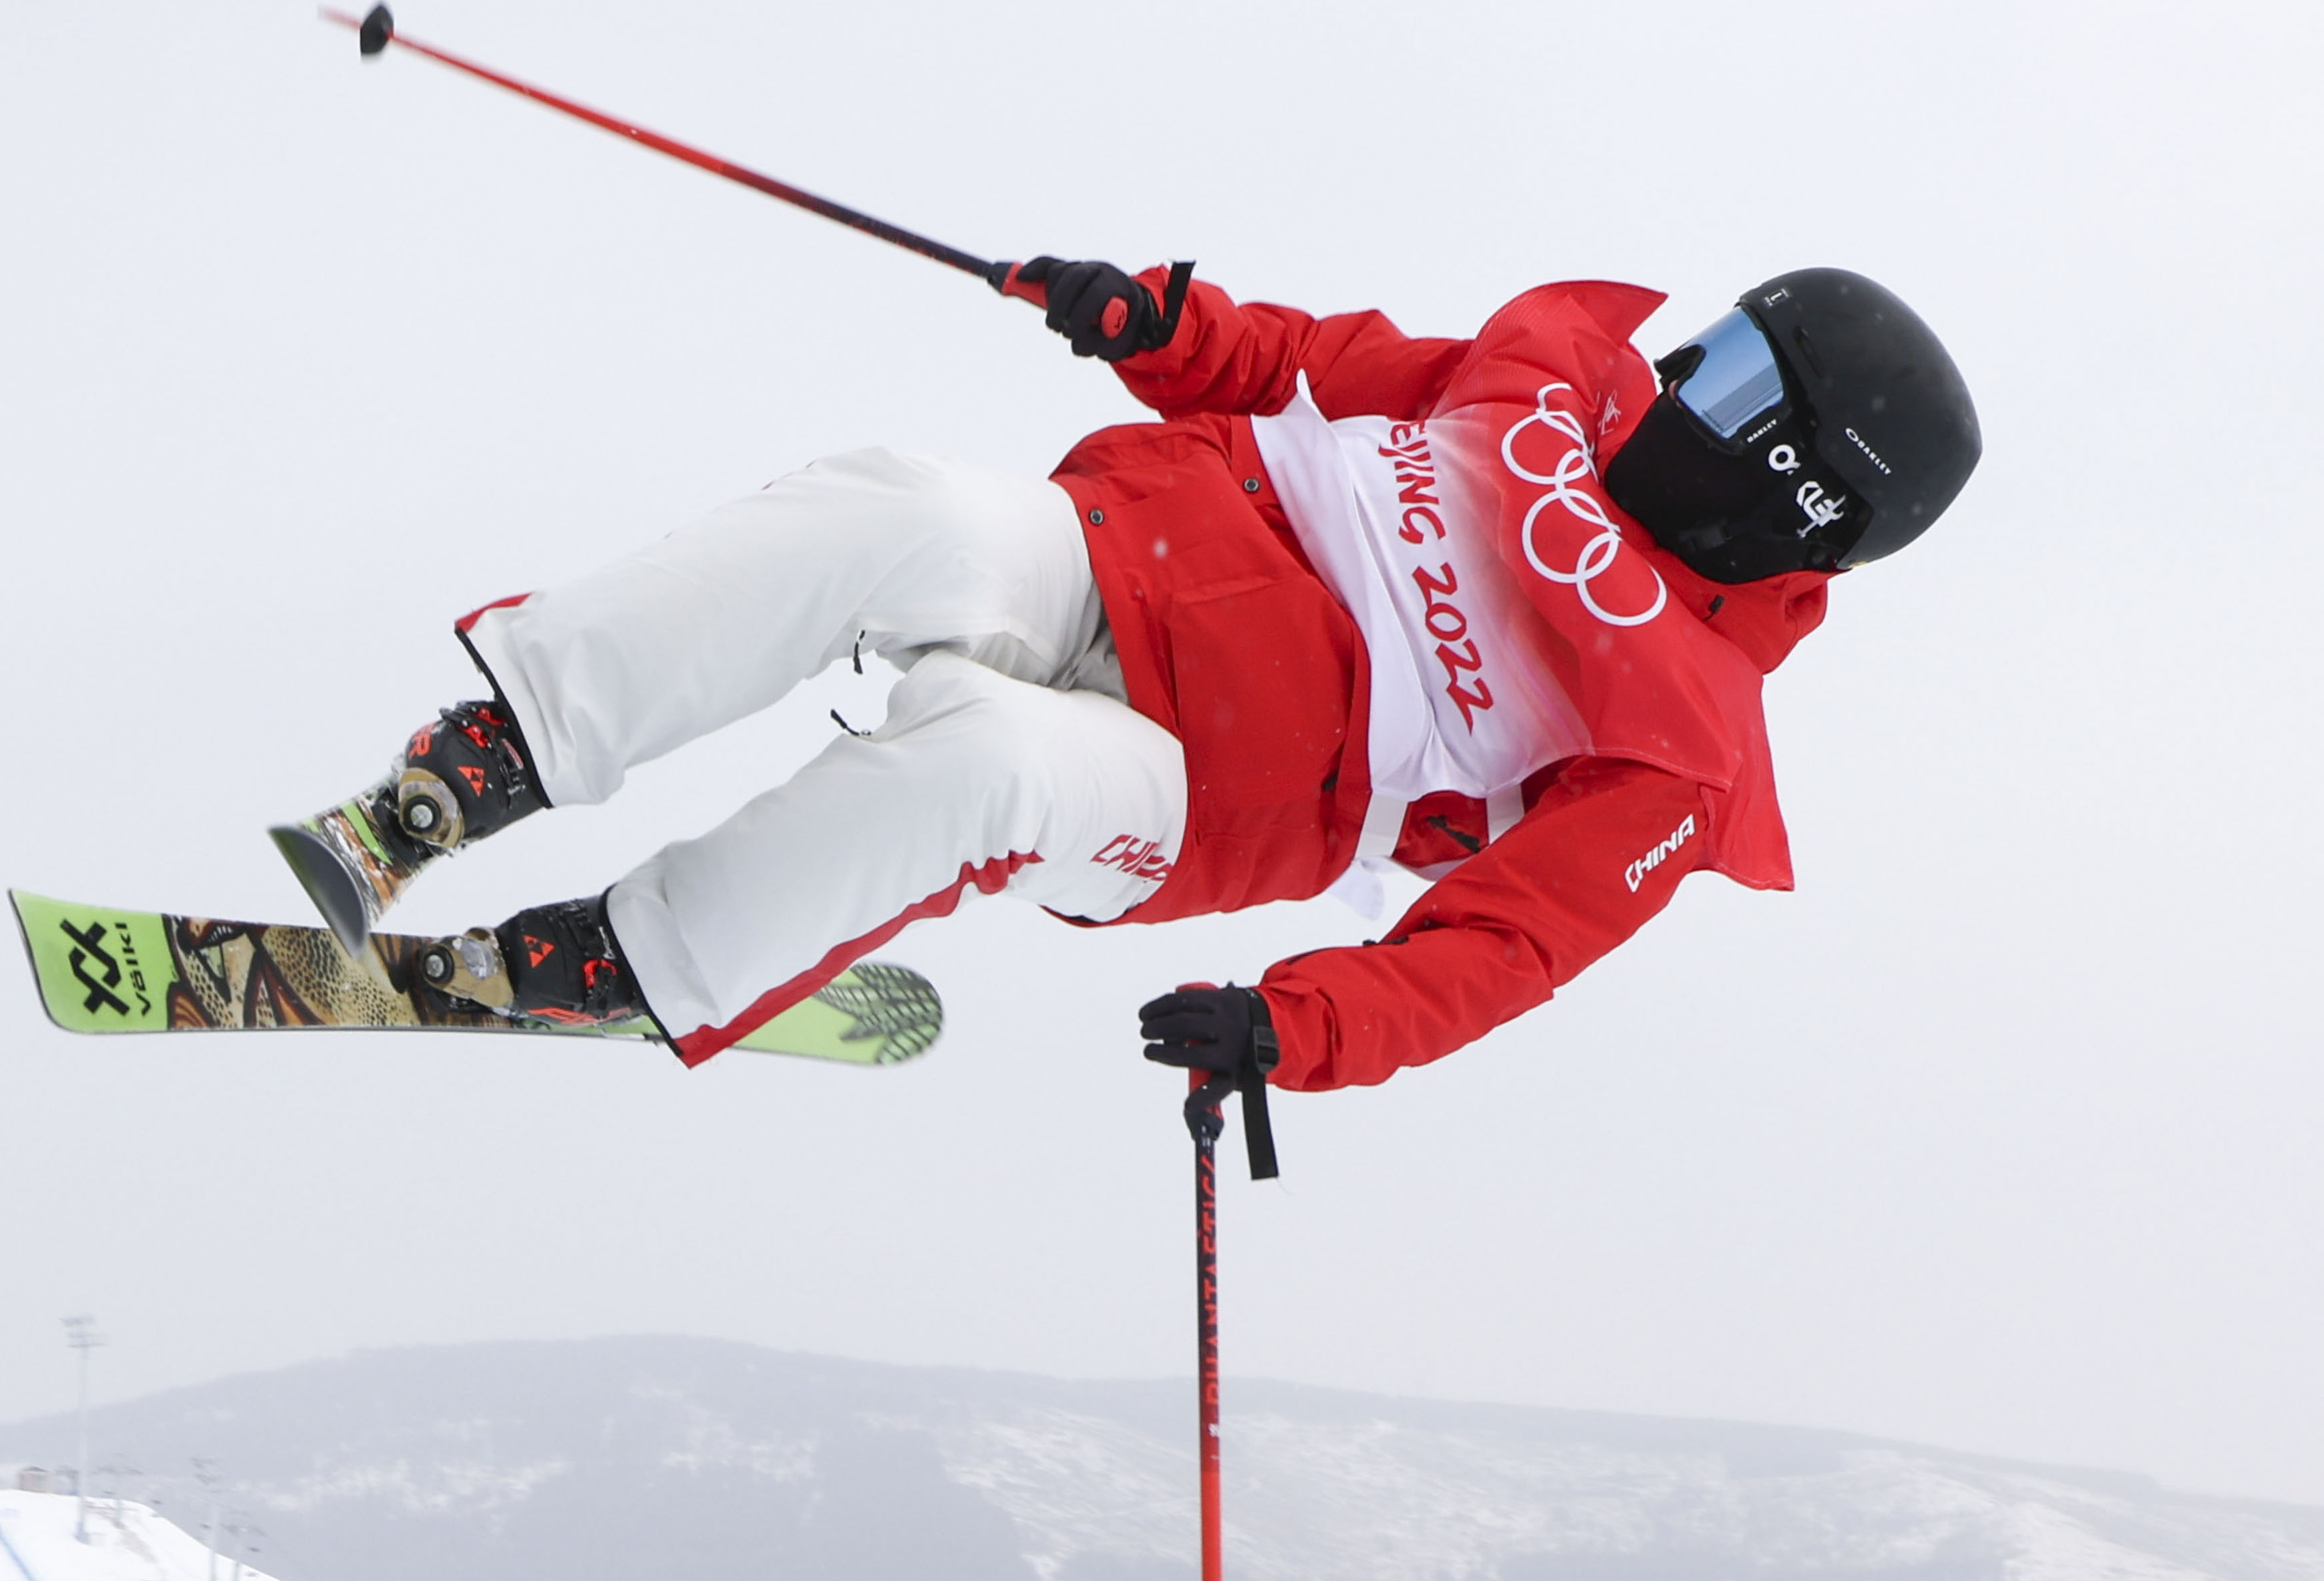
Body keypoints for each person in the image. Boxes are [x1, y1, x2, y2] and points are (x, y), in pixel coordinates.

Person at [270, 261, 1979, 1100]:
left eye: (1737, 375)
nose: (1679, 371)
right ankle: (469, 771)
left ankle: (622, 959)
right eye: (1712, 337)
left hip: (1191, 785)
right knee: (906, 508)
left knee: (986, 758)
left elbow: (1500, 952)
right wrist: (1153, 318)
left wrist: (1295, 1026)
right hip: (1133, 543)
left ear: (1798, 479)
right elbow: (1313, 364)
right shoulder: (1549, 383)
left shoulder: (1676, 743)